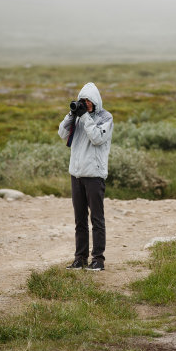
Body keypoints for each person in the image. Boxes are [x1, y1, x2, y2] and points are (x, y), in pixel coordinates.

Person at [58, 82, 113, 271]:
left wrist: (86, 117)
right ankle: (80, 258)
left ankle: (98, 259)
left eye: (89, 100)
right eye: (83, 100)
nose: (86, 103)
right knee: (79, 220)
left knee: (96, 219)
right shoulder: (78, 116)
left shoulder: (106, 117)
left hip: (94, 175)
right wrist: (72, 115)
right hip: (77, 174)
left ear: (95, 100)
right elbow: (62, 133)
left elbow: (97, 138)